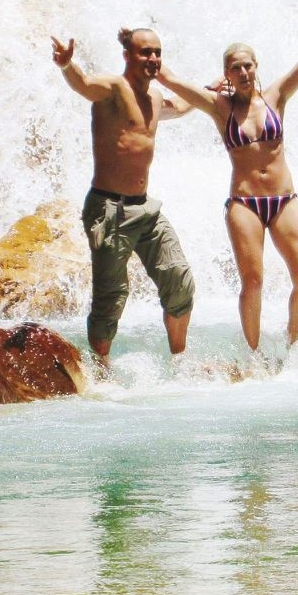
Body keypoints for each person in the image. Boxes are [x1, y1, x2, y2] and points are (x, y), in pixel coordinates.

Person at [158, 0, 298, 352]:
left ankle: (291, 349)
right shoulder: (219, 107)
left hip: (284, 200)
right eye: (235, 68)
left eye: (248, 66)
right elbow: (170, 79)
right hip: (244, 204)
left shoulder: (277, 95)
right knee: (253, 282)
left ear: (256, 67)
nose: (243, 73)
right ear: (226, 74)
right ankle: (255, 356)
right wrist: (141, 51)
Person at [51, 27, 198, 363]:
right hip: (109, 208)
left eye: (157, 52)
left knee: (179, 279)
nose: (153, 59)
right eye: (145, 52)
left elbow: (180, 105)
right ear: (128, 56)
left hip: (146, 208)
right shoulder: (115, 88)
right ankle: (101, 368)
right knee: (111, 296)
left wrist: (212, 90)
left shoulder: (156, 98)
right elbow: (84, 84)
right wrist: (67, 65)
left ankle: (179, 361)